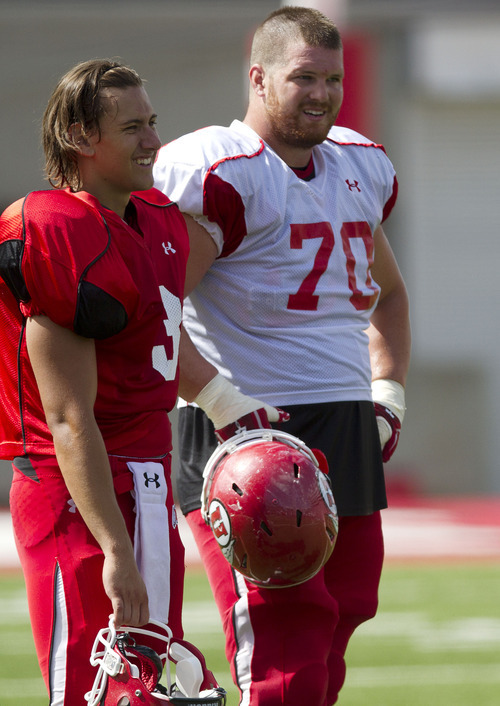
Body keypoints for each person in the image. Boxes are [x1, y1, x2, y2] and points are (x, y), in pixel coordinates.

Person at [154, 5, 411, 705]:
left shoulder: (357, 165)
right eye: (303, 78)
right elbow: (156, 311)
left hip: (345, 424)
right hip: (251, 432)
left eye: (332, 78)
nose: (322, 93)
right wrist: (222, 403)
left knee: (341, 620)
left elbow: (388, 297)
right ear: (258, 77)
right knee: (284, 641)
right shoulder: (225, 171)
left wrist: (387, 392)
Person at [0, 59, 191, 704]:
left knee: (146, 687)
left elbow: (161, 342)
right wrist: (115, 546)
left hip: (150, 476)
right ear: (82, 137)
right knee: (90, 687)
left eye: (153, 122)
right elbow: (67, 419)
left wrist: (234, 407)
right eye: (132, 126)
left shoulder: (159, 220)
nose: (153, 141)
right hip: (80, 490)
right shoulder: (61, 232)